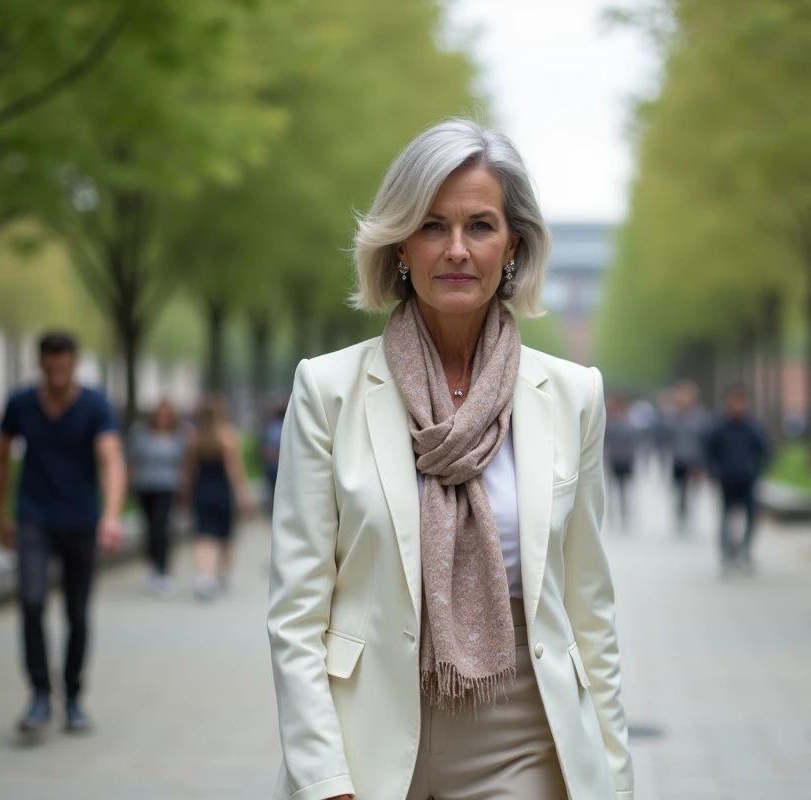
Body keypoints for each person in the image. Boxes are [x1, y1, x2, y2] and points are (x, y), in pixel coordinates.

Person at [267, 119, 634, 800]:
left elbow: (590, 610)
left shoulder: (572, 396)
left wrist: (613, 775)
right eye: (433, 226)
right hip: (367, 732)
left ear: (513, 246)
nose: (457, 250)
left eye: (481, 226)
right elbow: (295, 611)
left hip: (522, 731)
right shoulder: (328, 391)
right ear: (400, 244)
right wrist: (323, 776)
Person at [0, 331, 126, 737]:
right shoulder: (21, 404)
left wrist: (112, 514)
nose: (57, 376)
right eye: (50, 369)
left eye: (63, 368)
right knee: (31, 601)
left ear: (74, 363)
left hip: (82, 519)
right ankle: (37, 694)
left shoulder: (94, 404)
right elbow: (0, 460)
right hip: (34, 516)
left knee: (77, 612)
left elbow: (111, 459)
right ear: (41, 365)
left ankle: (73, 697)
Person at [178, 395, 253, 601]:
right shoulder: (227, 436)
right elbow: (234, 470)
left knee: (204, 535)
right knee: (225, 535)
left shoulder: (194, 438)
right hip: (222, 493)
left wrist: (184, 497)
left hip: (201, 492)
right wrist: (243, 495)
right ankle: (223, 573)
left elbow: (188, 472)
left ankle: (205, 577)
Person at [705, 384, 772, 576]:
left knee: (751, 517)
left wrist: (759, 470)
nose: (738, 405)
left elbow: (765, 451)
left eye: (741, 401)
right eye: (734, 400)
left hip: (748, 480)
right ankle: (726, 555)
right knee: (726, 518)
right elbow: (710, 452)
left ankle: (745, 552)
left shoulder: (753, 427)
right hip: (726, 480)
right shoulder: (718, 427)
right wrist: (714, 471)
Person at [127, 400, 186, 598]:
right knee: (150, 527)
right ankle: (152, 561)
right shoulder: (140, 433)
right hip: (145, 486)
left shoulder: (177, 435)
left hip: (168, 486)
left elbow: (184, 460)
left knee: (161, 527)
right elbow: (131, 458)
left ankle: (163, 570)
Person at [666, 380, 709, 531]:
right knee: (678, 489)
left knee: (691, 490)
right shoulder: (673, 415)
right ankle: (680, 514)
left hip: (694, 459)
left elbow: (705, 439)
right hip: (678, 458)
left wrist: (702, 462)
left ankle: (688, 514)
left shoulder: (700, 417)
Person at [604, 394, 639, 530]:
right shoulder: (609, 423)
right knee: (613, 489)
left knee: (624, 489)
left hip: (626, 460)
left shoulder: (629, 422)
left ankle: (625, 514)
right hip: (614, 460)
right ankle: (613, 515)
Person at [257, 400, 287, 517]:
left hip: (270, 465)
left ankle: (273, 513)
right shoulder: (288, 427)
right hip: (283, 465)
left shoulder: (269, 427)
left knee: (272, 491)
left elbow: (261, 447)